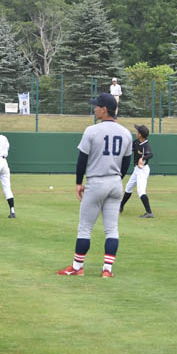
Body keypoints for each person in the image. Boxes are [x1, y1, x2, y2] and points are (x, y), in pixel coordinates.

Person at [57, 93, 133, 278]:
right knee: (112, 229)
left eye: (97, 106)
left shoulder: (91, 130)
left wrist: (78, 183)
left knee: (85, 228)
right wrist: (116, 180)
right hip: (115, 183)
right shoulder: (126, 133)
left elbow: (82, 160)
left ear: (105, 109)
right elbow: (125, 163)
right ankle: (107, 270)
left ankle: (77, 267)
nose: (94, 108)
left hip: (96, 181)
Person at [119, 124, 154, 218]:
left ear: (140, 135)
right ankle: (121, 207)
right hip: (137, 170)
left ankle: (149, 212)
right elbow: (130, 148)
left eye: (137, 131)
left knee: (141, 191)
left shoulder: (145, 144)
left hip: (143, 170)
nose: (136, 132)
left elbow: (150, 154)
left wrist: (142, 158)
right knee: (128, 187)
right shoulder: (137, 142)